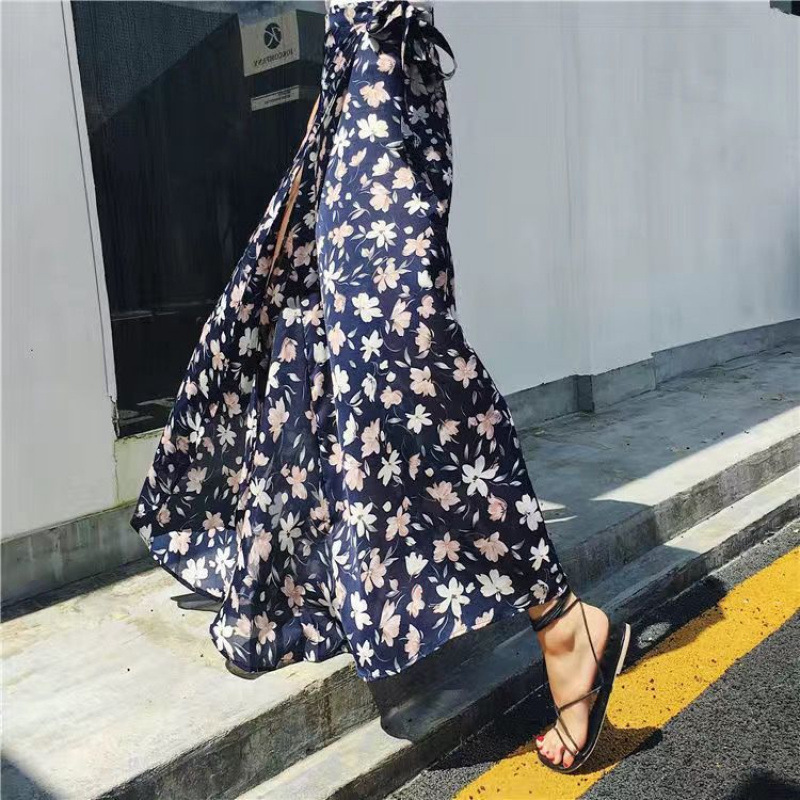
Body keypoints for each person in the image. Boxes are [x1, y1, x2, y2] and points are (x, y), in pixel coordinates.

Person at [130, 0, 629, 773]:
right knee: (306, 335)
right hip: (351, 90)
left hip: (384, 78)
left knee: (399, 360)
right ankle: (300, 576)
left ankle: (562, 620)